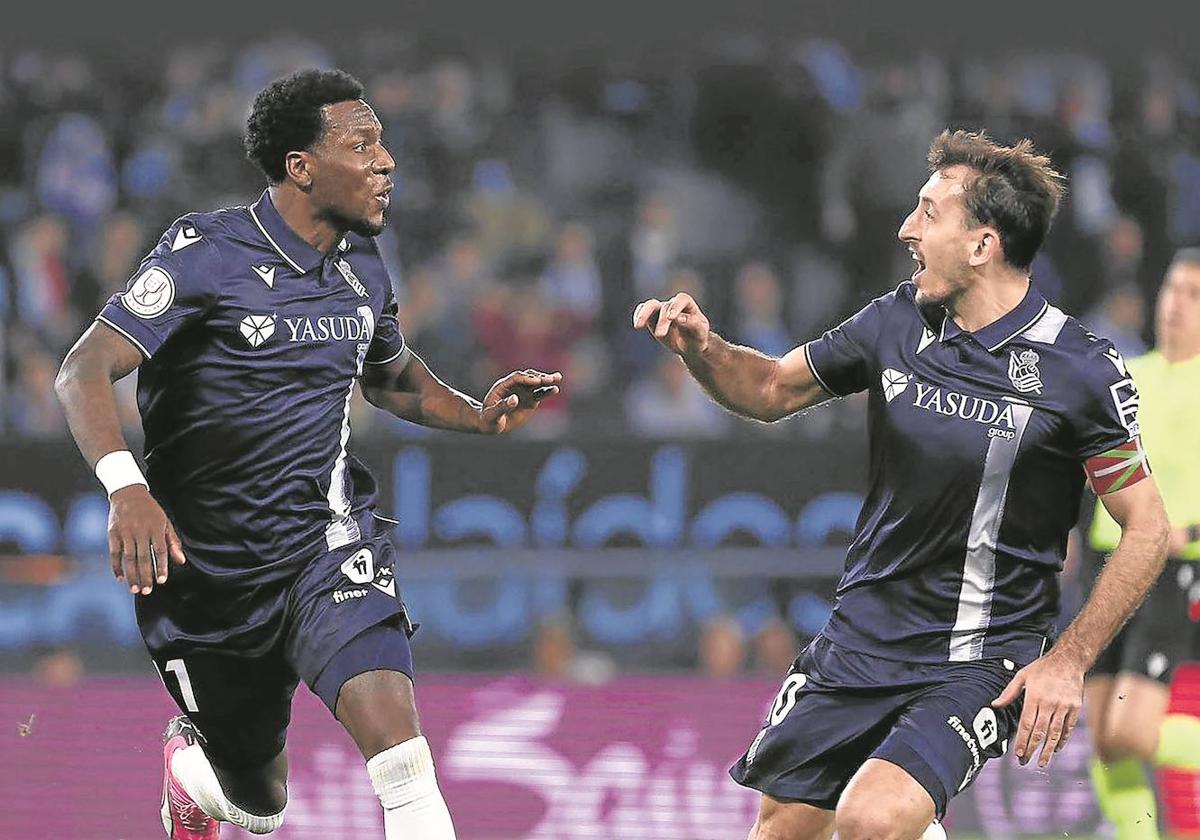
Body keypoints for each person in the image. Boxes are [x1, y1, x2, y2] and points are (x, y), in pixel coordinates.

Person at [54, 69, 561, 840]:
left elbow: (390, 377)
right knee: (259, 803)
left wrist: (475, 413)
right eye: (362, 144)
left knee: (404, 761)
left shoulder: (363, 268)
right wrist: (126, 488)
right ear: (301, 166)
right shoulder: (206, 253)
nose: (386, 160)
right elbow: (82, 369)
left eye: (384, 141)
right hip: (205, 574)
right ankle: (198, 777)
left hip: (327, 548)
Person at [633, 129, 1170, 840]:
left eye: (928, 212)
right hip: (857, 643)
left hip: (977, 656)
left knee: (872, 820)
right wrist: (703, 350)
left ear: (982, 245)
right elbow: (767, 387)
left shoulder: (1080, 372)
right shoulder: (893, 322)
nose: (905, 228)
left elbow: (1149, 526)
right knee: (780, 833)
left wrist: (1068, 661)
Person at [1084, 247, 1200, 840]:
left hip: (1167, 564)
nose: (1176, 304)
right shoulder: (1127, 374)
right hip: (1107, 564)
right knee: (1104, 739)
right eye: (1171, 289)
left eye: (1194, 295)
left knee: (1131, 729)